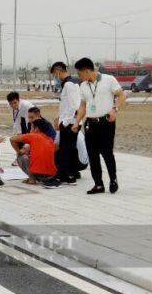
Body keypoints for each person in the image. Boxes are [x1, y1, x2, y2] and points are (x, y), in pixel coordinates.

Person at [72, 57, 126, 195]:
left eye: (80, 73)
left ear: (87, 70)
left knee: (107, 152)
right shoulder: (83, 86)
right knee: (92, 155)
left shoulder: (109, 79)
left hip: (106, 122)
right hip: (90, 123)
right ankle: (98, 184)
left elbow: (121, 95)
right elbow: (83, 106)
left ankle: (113, 179)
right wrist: (76, 121)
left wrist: (115, 109)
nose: (79, 76)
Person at [46, 61, 83, 186]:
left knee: (65, 150)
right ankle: (73, 173)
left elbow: (74, 105)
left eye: (54, 75)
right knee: (71, 148)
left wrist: (65, 122)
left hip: (70, 122)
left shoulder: (69, 84)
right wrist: (58, 118)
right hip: (73, 121)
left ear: (58, 71)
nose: (54, 78)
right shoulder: (73, 82)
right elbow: (66, 106)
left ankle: (64, 176)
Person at [9, 118, 58, 184]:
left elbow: (12, 139)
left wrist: (18, 151)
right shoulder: (50, 139)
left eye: (31, 128)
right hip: (52, 175)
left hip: (40, 176)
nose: (30, 130)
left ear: (36, 128)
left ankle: (32, 179)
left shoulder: (34, 136)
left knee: (21, 157)